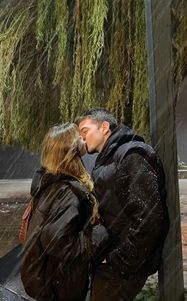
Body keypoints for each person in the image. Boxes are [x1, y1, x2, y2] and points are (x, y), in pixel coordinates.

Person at [75, 108, 169, 301]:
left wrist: (118, 261)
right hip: (112, 260)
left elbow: (149, 220)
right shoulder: (109, 158)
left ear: (104, 127)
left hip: (122, 268)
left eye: (84, 131)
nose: (82, 139)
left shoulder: (131, 155)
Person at [21, 123, 110, 301]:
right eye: (79, 136)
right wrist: (98, 235)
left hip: (52, 283)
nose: (83, 139)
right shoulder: (64, 193)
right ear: (71, 149)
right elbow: (60, 244)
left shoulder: (48, 184)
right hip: (61, 289)